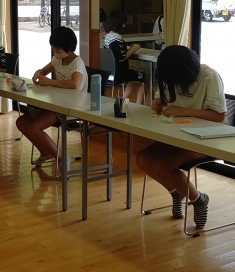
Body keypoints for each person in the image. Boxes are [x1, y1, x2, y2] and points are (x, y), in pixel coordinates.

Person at [135, 45, 227, 229]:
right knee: (142, 158)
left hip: (206, 139)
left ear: (185, 71)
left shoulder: (209, 77)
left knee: (162, 165)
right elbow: (162, 101)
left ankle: (198, 199)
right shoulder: (171, 75)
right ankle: (177, 193)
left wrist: (184, 110)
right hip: (177, 136)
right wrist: (157, 104)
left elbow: (219, 117)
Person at [15, 26, 87, 167]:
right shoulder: (57, 60)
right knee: (21, 122)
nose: (55, 52)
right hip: (55, 104)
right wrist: (38, 73)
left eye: (58, 50)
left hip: (70, 107)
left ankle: (60, 157)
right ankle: (46, 152)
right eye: (54, 49)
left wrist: (50, 82)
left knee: (32, 127)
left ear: (69, 49)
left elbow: (74, 84)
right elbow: (43, 71)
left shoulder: (77, 63)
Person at [104, 10, 146, 105]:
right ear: (118, 23)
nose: (124, 26)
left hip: (110, 73)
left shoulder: (107, 37)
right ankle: (138, 105)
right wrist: (133, 49)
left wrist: (129, 49)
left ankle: (122, 100)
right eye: (123, 23)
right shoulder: (118, 38)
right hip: (120, 73)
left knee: (134, 77)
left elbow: (116, 54)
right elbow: (122, 57)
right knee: (144, 78)